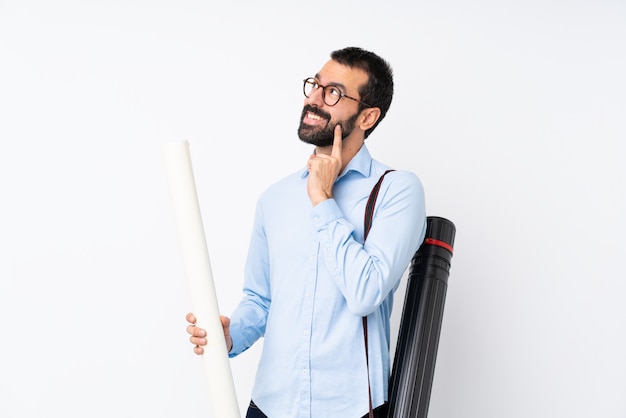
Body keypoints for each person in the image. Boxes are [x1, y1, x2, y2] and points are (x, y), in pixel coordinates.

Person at [186, 46, 426, 418]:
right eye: (315, 85)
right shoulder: (276, 198)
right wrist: (231, 334)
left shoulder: (397, 190)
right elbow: (261, 299)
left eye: (333, 92)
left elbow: (366, 293)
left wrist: (322, 199)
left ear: (368, 116)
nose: (314, 99)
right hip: (269, 406)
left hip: (350, 409)